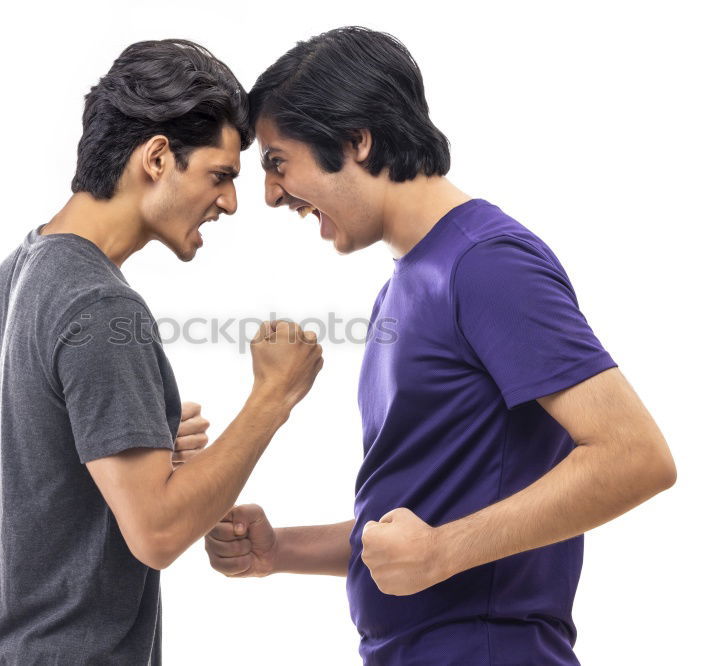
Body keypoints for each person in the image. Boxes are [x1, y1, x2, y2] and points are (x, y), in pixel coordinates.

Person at [204, 26, 676, 665]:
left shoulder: (486, 265)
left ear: (356, 141)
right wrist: (279, 551)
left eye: (278, 162)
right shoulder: (403, 287)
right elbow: (413, 534)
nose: (270, 194)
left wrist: (444, 551)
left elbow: (636, 456)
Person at [0, 38, 323, 665]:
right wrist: (273, 396)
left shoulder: (19, 273)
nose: (231, 202)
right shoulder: (100, 305)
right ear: (156, 157)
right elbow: (157, 532)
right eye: (220, 175)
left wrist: (117, 444)